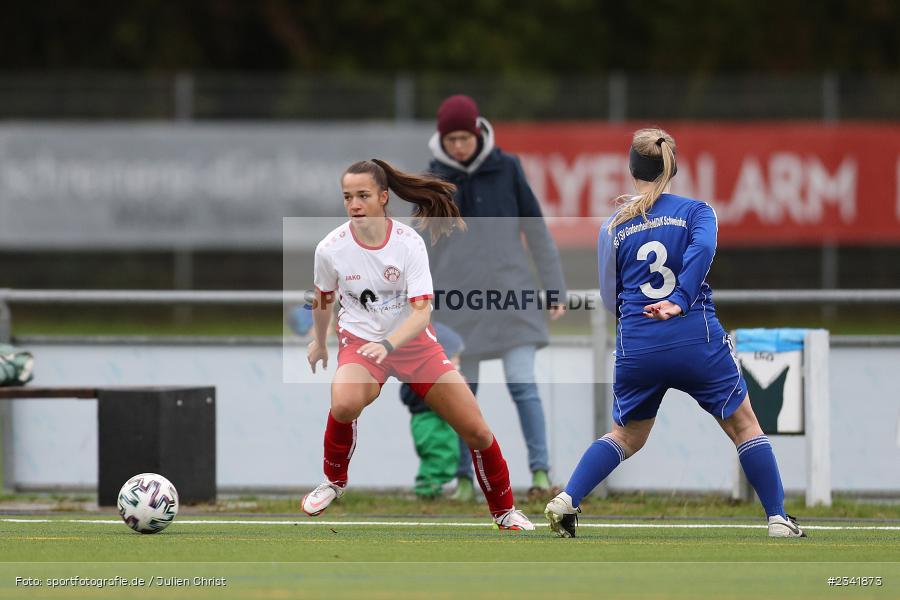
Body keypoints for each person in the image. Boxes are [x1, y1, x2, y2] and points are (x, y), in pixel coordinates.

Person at [544, 128, 806, 539]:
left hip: (638, 344)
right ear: (672, 168)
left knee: (627, 434)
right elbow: (701, 252)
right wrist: (681, 299)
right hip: (694, 338)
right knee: (743, 425)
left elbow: (610, 297)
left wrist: (638, 324)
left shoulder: (613, 226)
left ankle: (567, 499)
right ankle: (777, 518)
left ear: (631, 168)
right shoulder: (698, 211)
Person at [302, 158, 534, 530]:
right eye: (347, 197)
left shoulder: (408, 242)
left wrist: (390, 345)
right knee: (344, 404)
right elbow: (323, 298)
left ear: (383, 196)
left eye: (363, 195)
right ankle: (334, 482)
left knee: (476, 430)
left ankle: (505, 511)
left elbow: (421, 314)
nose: (354, 205)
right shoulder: (330, 248)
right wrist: (319, 341)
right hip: (361, 343)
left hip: (414, 345)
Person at [426, 94, 568, 499]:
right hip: (456, 306)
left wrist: (554, 287)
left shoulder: (508, 168)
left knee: (523, 384)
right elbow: (419, 247)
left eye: (463, 137)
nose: (457, 145)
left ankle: (540, 475)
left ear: (477, 133)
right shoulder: (432, 179)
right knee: (461, 394)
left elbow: (536, 229)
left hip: (514, 299)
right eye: (450, 138)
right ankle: (466, 479)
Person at [398, 321, 463, 498]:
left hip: (429, 417)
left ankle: (430, 488)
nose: (458, 362)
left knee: (439, 452)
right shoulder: (425, 382)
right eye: (454, 358)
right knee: (438, 451)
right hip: (429, 417)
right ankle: (428, 489)